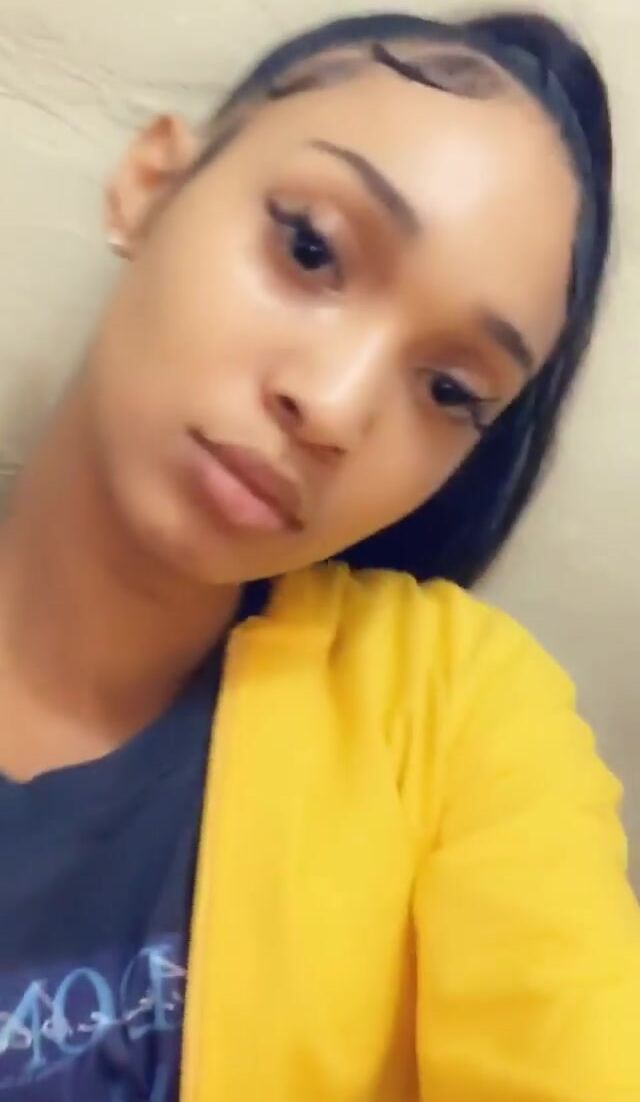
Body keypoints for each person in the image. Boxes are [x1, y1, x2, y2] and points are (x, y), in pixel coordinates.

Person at [0, 7, 638, 1101]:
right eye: (310, 248)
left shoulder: (452, 715)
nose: (334, 406)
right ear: (151, 184)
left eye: (450, 390)